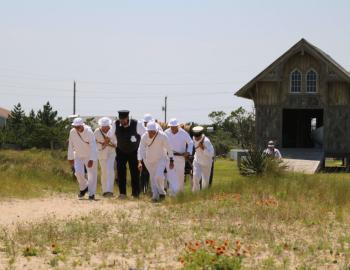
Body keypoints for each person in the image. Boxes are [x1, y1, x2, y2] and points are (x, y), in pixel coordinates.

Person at [108, 110, 144, 198]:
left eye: (123, 120)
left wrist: (141, 147)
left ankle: (135, 194)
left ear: (127, 118)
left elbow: (144, 135)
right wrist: (115, 142)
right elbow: (109, 135)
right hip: (121, 151)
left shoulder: (137, 123)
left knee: (134, 173)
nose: (122, 122)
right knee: (121, 173)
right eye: (120, 120)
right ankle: (122, 193)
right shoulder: (115, 124)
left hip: (134, 151)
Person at [138, 122, 174, 202]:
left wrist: (171, 159)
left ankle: (161, 192)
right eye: (149, 132)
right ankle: (156, 195)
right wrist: (140, 161)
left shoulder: (162, 136)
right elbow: (141, 149)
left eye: (152, 132)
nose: (151, 133)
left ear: (156, 131)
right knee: (153, 178)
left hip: (161, 159)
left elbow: (169, 148)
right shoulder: (144, 136)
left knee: (158, 176)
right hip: (148, 160)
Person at [68, 117, 98, 200]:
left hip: (89, 155)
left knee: (92, 175)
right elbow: (70, 144)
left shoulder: (89, 131)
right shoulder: (72, 132)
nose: (77, 128)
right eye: (75, 127)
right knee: (78, 173)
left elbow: (93, 146)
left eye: (79, 126)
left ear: (82, 125)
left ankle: (91, 194)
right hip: (78, 155)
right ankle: (84, 187)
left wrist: (92, 159)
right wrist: (70, 157)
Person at [165, 118, 193, 195]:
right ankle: (173, 194)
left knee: (180, 176)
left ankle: (180, 193)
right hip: (169, 158)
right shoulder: (166, 133)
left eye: (174, 127)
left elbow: (190, 142)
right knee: (171, 176)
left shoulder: (183, 133)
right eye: (171, 127)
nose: (173, 128)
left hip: (181, 158)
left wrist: (188, 152)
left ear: (177, 126)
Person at [139, 113, 162, 193]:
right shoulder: (141, 127)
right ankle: (143, 189)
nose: (146, 124)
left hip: (155, 153)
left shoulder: (158, 127)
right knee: (143, 172)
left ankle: (154, 190)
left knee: (153, 173)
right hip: (144, 153)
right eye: (145, 122)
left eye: (147, 122)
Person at [94, 117, 117, 197]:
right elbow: (94, 144)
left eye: (106, 127)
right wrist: (102, 146)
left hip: (111, 153)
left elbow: (116, 142)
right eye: (103, 127)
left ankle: (109, 191)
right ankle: (104, 191)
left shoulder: (113, 131)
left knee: (110, 170)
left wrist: (113, 144)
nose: (104, 128)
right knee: (104, 172)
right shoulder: (97, 132)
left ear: (108, 126)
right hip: (101, 154)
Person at [192, 126, 215, 192]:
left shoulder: (206, 141)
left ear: (200, 134)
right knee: (195, 176)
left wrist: (203, 149)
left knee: (205, 181)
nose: (196, 138)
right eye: (195, 136)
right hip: (197, 161)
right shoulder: (194, 138)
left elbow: (212, 154)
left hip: (206, 163)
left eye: (198, 136)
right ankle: (195, 194)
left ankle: (204, 195)